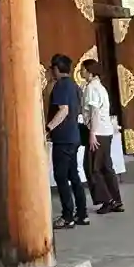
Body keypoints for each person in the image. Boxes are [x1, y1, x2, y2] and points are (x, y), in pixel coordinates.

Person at [44, 53, 88, 228]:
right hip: (74, 136)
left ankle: (67, 216)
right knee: (73, 176)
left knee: (61, 177)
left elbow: (63, 110)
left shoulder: (61, 86)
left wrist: (48, 128)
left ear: (56, 69)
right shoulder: (75, 86)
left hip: (63, 138)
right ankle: (82, 214)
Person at [83, 68, 123, 213]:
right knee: (106, 167)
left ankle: (108, 201)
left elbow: (94, 111)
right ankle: (116, 200)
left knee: (93, 168)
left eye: (83, 70)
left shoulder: (91, 88)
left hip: (98, 132)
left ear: (90, 72)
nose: (81, 73)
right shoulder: (101, 87)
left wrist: (92, 133)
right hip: (106, 131)